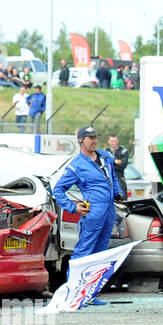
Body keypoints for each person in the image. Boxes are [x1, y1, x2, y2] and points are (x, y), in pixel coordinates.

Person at [51, 126, 124, 306]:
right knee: (84, 253)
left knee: (99, 254)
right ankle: (72, 294)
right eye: (89, 138)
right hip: (93, 212)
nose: (94, 140)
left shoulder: (106, 157)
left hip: (109, 211)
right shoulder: (77, 165)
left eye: (95, 137)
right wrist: (72, 207)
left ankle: (89, 294)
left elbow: (113, 178)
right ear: (81, 140)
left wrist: (118, 192)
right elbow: (58, 189)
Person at [107, 133, 131, 198]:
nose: (114, 143)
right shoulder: (106, 152)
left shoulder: (123, 151)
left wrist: (111, 164)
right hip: (108, 180)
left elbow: (123, 166)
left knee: (122, 198)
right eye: (112, 141)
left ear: (118, 141)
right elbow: (105, 165)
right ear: (108, 142)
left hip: (120, 179)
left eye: (115, 141)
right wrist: (115, 162)